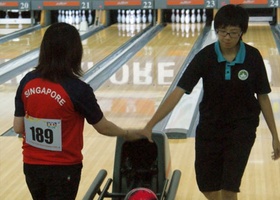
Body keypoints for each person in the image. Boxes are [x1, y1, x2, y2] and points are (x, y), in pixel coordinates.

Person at [141, 4, 280, 200]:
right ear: (216, 30)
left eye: (233, 32)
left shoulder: (253, 58)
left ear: (242, 32)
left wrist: (275, 135)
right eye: (222, 32)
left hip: (242, 129)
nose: (227, 37)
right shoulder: (205, 57)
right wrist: (150, 124)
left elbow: (263, 97)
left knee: (230, 187)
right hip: (210, 128)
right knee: (207, 186)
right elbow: (178, 92)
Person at [13, 23, 145, 200]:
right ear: (75, 53)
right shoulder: (78, 89)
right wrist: (127, 133)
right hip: (64, 169)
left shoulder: (27, 81)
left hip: (31, 166)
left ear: (44, 50)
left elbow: (17, 127)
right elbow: (103, 127)